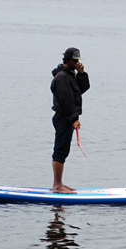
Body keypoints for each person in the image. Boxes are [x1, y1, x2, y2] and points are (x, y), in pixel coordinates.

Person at [50, 47, 90, 194]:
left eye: (78, 60)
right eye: (74, 60)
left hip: (68, 118)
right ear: (67, 60)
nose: (77, 62)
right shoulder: (61, 77)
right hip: (63, 118)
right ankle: (57, 186)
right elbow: (66, 100)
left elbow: (80, 91)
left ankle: (59, 183)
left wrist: (81, 74)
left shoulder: (70, 75)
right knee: (60, 151)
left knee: (64, 151)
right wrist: (74, 119)